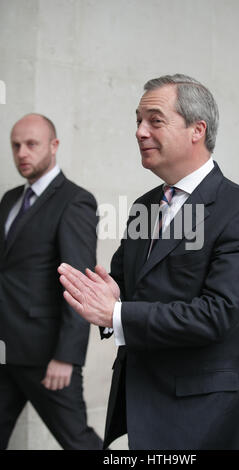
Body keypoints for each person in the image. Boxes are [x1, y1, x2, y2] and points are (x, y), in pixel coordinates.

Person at [58, 74, 239, 450]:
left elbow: (217, 314)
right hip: (138, 405)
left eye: (154, 120)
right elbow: (129, 290)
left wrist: (117, 314)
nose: (140, 132)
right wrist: (111, 297)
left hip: (201, 414)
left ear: (197, 130)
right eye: (137, 121)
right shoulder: (144, 206)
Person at [0, 113, 103, 450]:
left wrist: (67, 357)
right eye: (16, 146)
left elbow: (79, 283)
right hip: (5, 351)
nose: (22, 153)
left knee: (78, 442)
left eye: (31, 144)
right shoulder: (10, 199)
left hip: (46, 357)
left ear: (54, 146)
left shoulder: (74, 201)